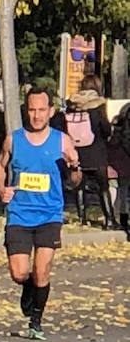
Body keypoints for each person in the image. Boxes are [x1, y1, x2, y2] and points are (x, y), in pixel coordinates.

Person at [0, 85, 82, 340]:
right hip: (19, 214)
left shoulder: (62, 140)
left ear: (51, 111)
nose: (36, 115)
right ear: (26, 111)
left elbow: (74, 182)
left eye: (42, 110)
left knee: (42, 270)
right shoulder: (14, 139)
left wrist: (74, 165)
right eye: (32, 110)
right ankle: (28, 288)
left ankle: (36, 321)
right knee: (19, 273)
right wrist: (1, 188)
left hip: (49, 215)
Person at [53, 73, 114, 227]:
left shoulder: (72, 104)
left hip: (77, 152)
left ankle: (82, 218)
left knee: (79, 187)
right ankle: (109, 220)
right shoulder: (98, 105)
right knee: (103, 187)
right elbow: (105, 129)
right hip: (97, 151)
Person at [107, 102, 130, 240]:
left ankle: (123, 218)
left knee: (123, 193)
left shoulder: (119, 125)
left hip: (122, 162)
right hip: (126, 161)